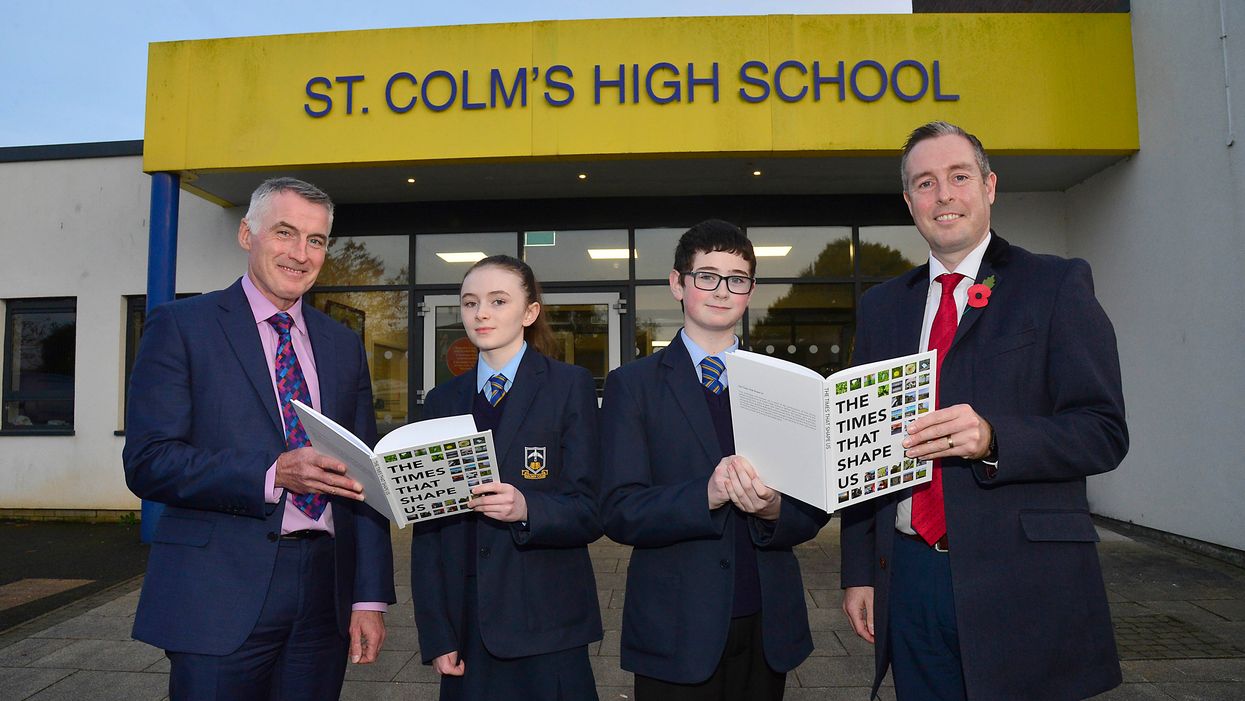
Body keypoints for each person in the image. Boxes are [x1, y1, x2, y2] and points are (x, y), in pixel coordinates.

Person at [839, 121, 1128, 700]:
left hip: (1024, 579)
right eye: (925, 182)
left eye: (958, 176)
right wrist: (859, 573)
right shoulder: (881, 308)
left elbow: (1103, 432)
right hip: (912, 577)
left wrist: (995, 438)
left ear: (990, 186)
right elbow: (860, 448)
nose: (943, 194)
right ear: (909, 202)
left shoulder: (1055, 284)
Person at [123, 177, 395, 700]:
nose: (300, 253)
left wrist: (369, 597)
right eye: (285, 233)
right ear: (247, 234)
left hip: (324, 595)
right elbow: (148, 461)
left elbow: (367, 475)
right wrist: (272, 474)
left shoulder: (341, 344)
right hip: (217, 592)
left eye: (315, 240)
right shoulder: (180, 327)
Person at [600, 219, 829, 700]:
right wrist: (705, 494)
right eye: (707, 276)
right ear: (677, 283)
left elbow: (815, 507)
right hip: (675, 625)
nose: (722, 290)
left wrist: (773, 510)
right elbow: (619, 510)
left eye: (737, 279)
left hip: (768, 623)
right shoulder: (633, 385)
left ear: (749, 291)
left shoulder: (788, 384)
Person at [410, 254, 603, 700]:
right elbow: (430, 531)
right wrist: (438, 633)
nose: (481, 313)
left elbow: (592, 508)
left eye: (498, 301)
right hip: (468, 622)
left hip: (547, 621)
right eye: (470, 302)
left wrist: (526, 508)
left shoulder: (569, 386)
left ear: (530, 312)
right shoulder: (442, 400)